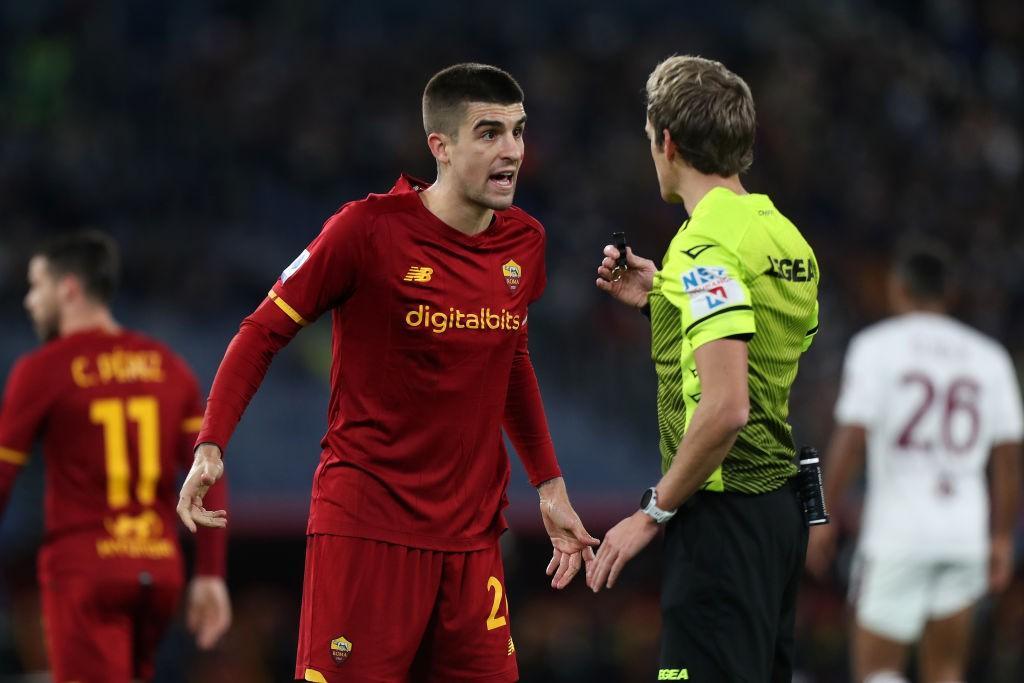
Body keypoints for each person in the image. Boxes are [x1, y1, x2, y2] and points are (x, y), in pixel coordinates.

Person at [176, 62, 597, 683]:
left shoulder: (525, 243)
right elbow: (261, 331)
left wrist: (550, 483)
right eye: (488, 132)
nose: (512, 150)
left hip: (473, 540)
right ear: (441, 147)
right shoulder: (366, 231)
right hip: (367, 530)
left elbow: (512, 359)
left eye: (518, 131)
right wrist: (212, 444)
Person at [588, 55, 820, 681]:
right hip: (779, 515)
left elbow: (726, 406)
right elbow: (759, 338)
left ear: (666, 142)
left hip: (723, 516)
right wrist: (666, 299)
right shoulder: (786, 238)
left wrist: (650, 513)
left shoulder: (703, 245)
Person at [0, 231, 231, 683]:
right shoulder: (169, 366)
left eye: (37, 286)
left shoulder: (42, 370)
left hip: (86, 571)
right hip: (158, 570)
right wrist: (210, 574)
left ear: (68, 288)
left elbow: (4, 474)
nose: (29, 301)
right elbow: (209, 474)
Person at [805, 244, 1022, 683]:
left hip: (897, 532)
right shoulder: (990, 358)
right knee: (945, 671)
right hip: (964, 533)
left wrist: (820, 515)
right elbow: (1008, 457)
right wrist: (1000, 537)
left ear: (897, 289)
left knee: (878, 671)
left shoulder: (876, 347)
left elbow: (852, 437)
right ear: (951, 293)